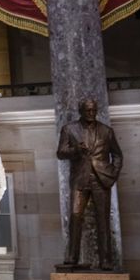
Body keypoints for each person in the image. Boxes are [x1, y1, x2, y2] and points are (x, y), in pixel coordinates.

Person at [56, 99, 122, 270]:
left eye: (93, 110)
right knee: (75, 217)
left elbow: (117, 155)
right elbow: (61, 153)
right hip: (80, 180)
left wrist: (113, 173)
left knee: (103, 220)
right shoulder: (69, 129)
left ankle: (106, 260)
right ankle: (72, 257)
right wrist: (76, 150)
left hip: (101, 180)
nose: (91, 114)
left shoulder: (106, 131)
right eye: (87, 111)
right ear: (81, 111)